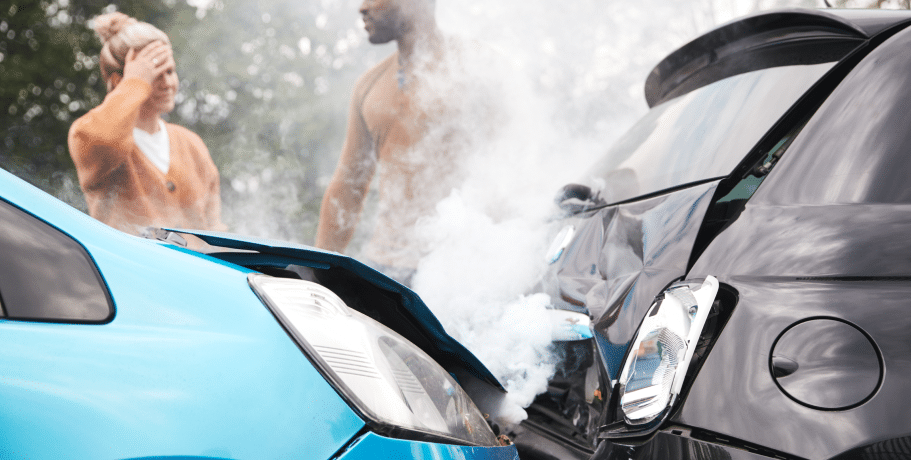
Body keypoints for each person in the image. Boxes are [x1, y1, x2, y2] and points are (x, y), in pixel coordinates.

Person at [315, 0, 468, 286]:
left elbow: (516, 170)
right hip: (385, 269)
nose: (362, 7)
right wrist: (316, 271)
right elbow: (348, 186)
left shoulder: (477, 70)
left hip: (458, 268)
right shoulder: (368, 86)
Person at [68, 12, 226, 235]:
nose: (168, 83)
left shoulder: (192, 144)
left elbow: (214, 228)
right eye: (154, 74)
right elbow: (103, 139)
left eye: (170, 71)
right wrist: (134, 83)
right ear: (119, 81)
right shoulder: (87, 134)